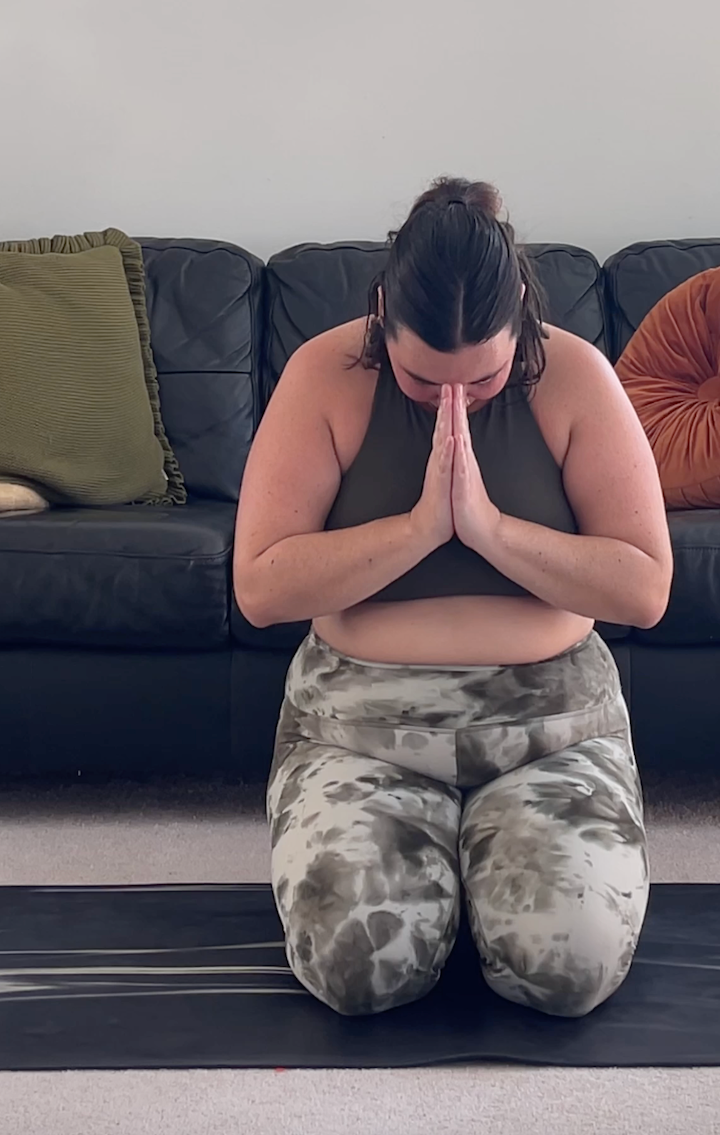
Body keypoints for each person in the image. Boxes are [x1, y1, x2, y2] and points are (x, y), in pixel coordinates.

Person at [233, 177, 673, 1017]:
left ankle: (485, 881)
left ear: (521, 313)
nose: (454, 405)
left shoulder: (576, 375)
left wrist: (488, 528)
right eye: (423, 381)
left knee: (567, 970)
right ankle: (439, 882)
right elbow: (261, 586)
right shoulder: (324, 372)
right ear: (381, 314)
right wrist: (419, 529)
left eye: (484, 379)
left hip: (549, 732)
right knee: (360, 973)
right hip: (362, 731)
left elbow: (644, 587)